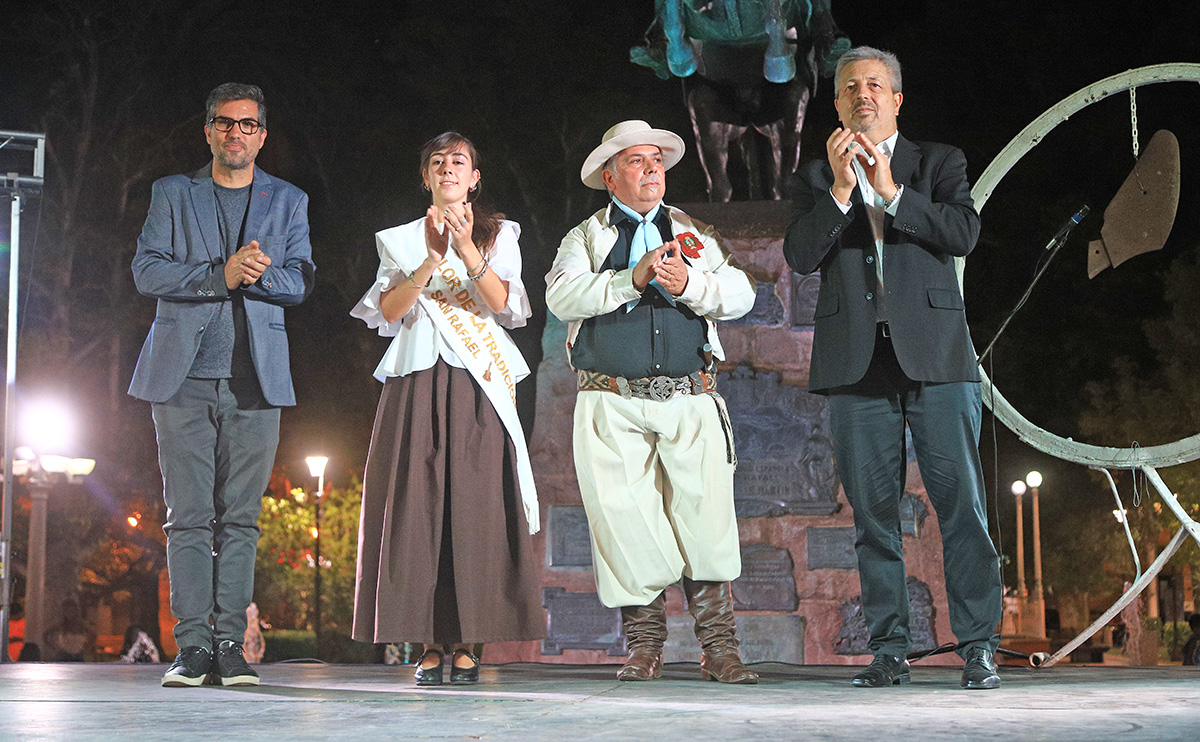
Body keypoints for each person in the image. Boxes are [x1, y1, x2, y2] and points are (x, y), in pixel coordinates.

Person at [783, 46, 1003, 689]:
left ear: (897, 99)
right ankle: (889, 648)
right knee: (873, 518)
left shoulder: (938, 162)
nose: (863, 95)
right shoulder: (814, 175)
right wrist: (842, 192)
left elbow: (963, 233)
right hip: (857, 365)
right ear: (837, 103)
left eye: (875, 85)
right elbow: (799, 255)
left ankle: (979, 646)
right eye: (851, 87)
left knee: (962, 507)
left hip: (937, 359)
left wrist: (892, 194)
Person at [545, 120, 759, 684]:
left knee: (706, 519)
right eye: (636, 161)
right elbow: (561, 295)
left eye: (657, 161)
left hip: (690, 396)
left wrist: (691, 285)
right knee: (626, 521)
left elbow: (742, 293)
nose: (651, 170)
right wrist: (630, 279)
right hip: (611, 401)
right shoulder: (586, 237)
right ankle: (645, 647)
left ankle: (720, 649)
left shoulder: (694, 233)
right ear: (610, 177)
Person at [130, 82, 316, 687]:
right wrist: (220, 275)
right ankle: (192, 647)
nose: (236, 133)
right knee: (186, 518)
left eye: (247, 124)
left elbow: (301, 281)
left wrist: (258, 277)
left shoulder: (288, 199)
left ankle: (231, 645)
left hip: (256, 383)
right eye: (225, 123)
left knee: (241, 520)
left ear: (262, 136)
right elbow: (146, 270)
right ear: (208, 131)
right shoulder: (172, 192)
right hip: (180, 379)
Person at [351, 132, 544, 687]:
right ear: (426, 177)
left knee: (476, 511)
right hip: (415, 381)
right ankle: (428, 642)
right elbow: (389, 311)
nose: (447, 168)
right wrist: (430, 260)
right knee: (417, 509)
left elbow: (506, 306)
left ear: (474, 177)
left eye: (458, 161)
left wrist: (465, 249)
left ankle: (469, 641)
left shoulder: (500, 234)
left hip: (477, 384)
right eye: (437, 161)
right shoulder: (400, 239)